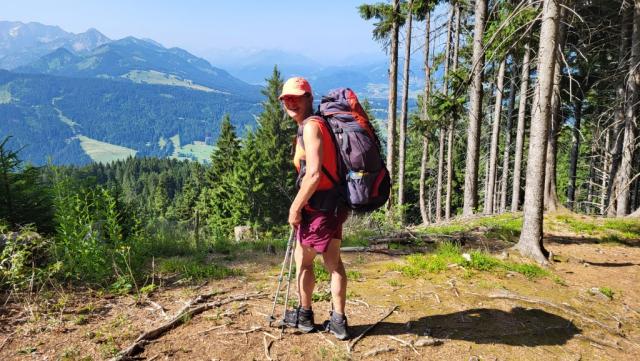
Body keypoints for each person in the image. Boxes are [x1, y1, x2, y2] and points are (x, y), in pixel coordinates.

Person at [279, 76, 350, 340]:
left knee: (304, 262)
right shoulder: (320, 123)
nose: (291, 102)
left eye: (297, 97)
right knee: (334, 263)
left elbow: (314, 175)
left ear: (309, 97)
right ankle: (338, 321)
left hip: (318, 206)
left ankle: (305, 315)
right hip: (332, 203)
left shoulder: (311, 127)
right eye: (286, 99)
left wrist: (295, 207)